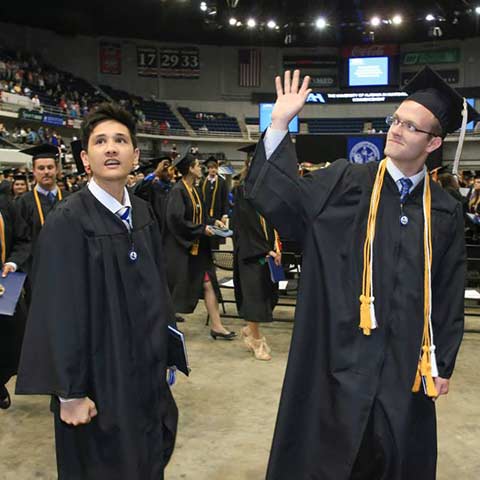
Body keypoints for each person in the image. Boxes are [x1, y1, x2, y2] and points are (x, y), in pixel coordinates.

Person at [245, 67, 471, 479]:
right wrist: (279, 124)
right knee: (329, 459)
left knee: (396, 456)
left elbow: (448, 288)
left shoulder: (443, 210)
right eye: (396, 121)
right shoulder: (347, 181)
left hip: (405, 365)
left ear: (433, 142)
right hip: (339, 360)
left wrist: (442, 364)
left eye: (410, 126)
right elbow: (283, 201)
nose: (396, 131)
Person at [16, 103, 178, 479]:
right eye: (100, 141)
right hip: (97, 378)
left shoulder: (141, 213)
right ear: (85, 157)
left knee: (145, 459)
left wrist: (167, 350)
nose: (110, 148)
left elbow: (158, 291)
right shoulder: (68, 221)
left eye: (120, 140)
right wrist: (69, 393)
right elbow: (56, 312)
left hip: (143, 374)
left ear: (134, 155)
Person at [164, 152, 235, 339]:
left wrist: (213, 222)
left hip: (197, 249)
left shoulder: (194, 189)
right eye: (197, 165)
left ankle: (217, 326)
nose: (200, 168)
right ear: (189, 168)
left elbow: (200, 216)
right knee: (176, 289)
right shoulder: (177, 191)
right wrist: (201, 229)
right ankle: (166, 327)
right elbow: (176, 220)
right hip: (182, 249)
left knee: (209, 283)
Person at [232, 165, 280, 360]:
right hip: (251, 253)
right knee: (255, 297)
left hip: (265, 252)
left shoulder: (265, 192)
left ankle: (250, 329)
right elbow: (246, 227)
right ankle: (256, 341)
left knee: (266, 294)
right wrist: (265, 249)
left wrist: (276, 246)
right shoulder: (243, 192)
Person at [0, 194, 31, 409]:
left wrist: (12, 262)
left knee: (17, 341)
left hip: (4, 284)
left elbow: (23, 239)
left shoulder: (5, 205)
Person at [133, 156, 173, 235]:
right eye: (164, 170)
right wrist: (155, 172)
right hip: (155, 232)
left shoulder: (174, 188)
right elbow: (138, 190)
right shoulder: (152, 189)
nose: (168, 173)